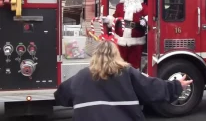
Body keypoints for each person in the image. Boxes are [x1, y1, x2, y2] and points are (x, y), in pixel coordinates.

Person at [54, 40, 193, 121]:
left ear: (95, 55)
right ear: (116, 54)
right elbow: (151, 88)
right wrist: (177, 85)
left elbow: (61, 96)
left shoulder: (80, 77)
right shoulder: (127, 73)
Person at [102, 0, 147, 69]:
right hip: (120, 38)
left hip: (137, 39)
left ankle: (134, 77)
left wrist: (146, 20)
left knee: (135, 62)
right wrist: (109, 19)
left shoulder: (143, 6)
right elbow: (115, 17)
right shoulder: (120, 6)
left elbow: (150, 16)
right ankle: (121, 77)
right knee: (120, 59)